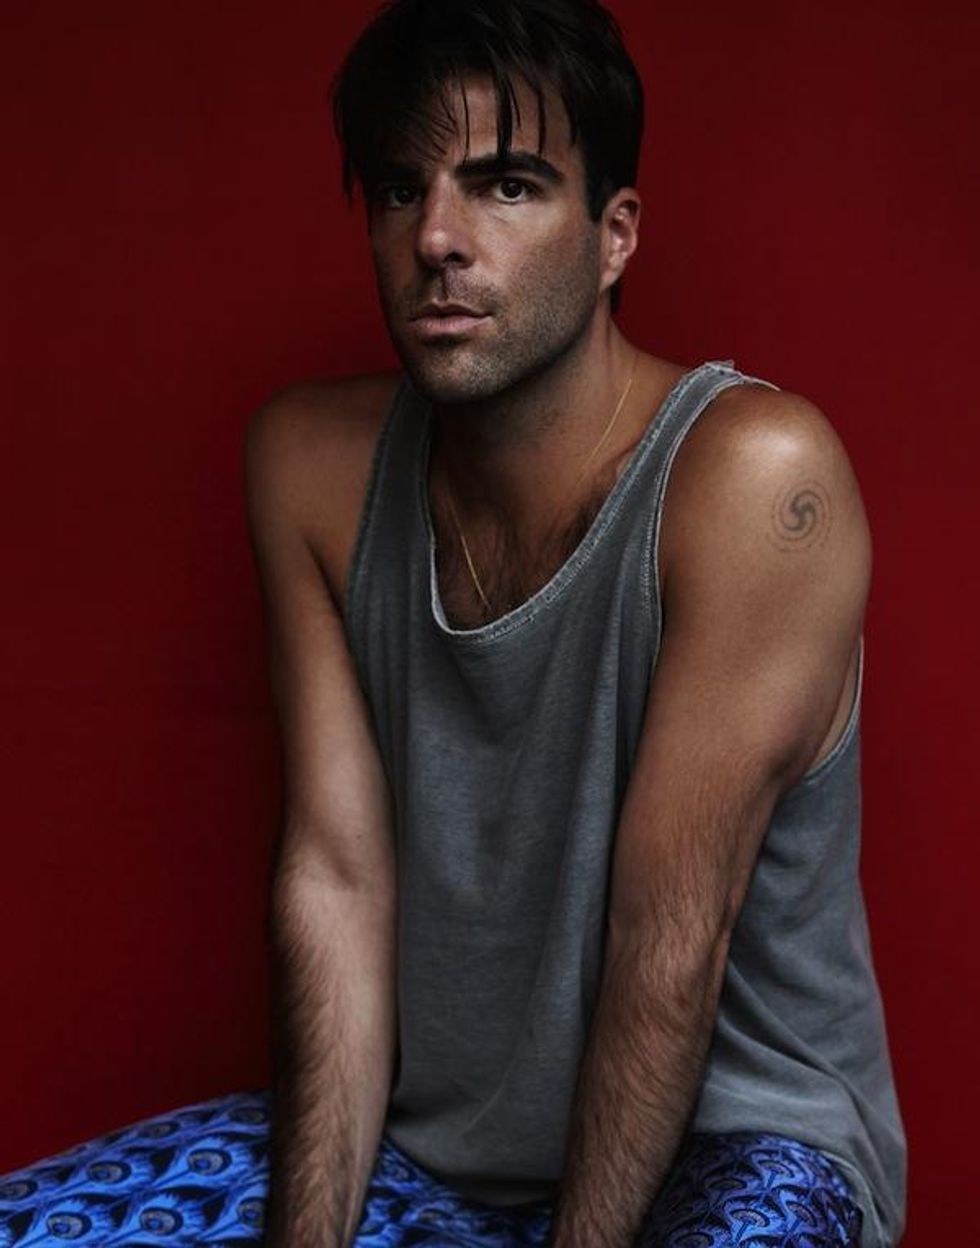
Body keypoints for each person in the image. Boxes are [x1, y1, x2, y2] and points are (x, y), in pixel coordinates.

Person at [0, 1, 906, 1246]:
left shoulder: (753, 479)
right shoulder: (309, 467)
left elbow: (666, 944)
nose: (435, 237)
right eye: (398, 189)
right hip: (428, 1156)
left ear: (613, 237)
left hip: (731, 1148)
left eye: (505, 185)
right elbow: (334, 881)